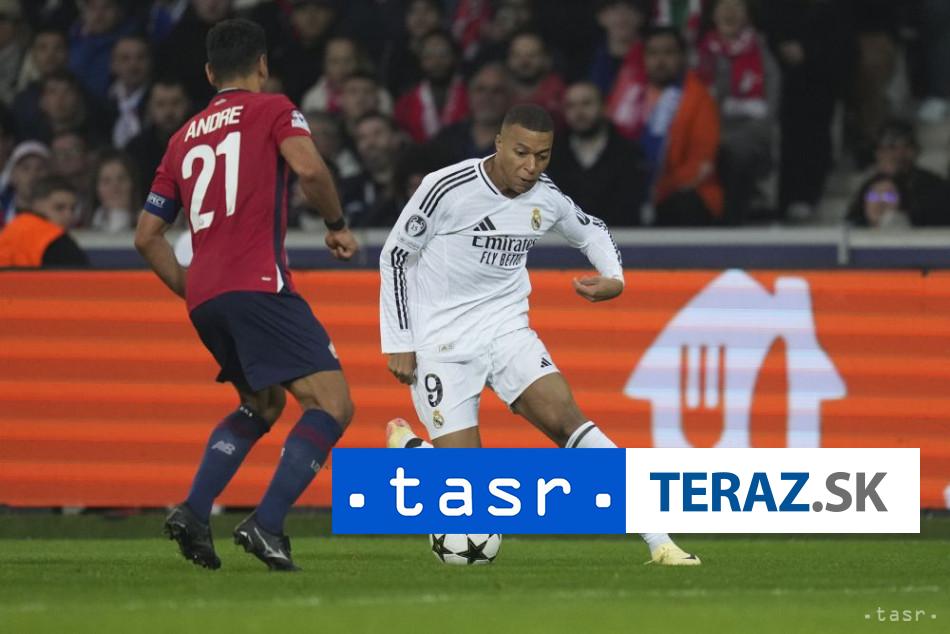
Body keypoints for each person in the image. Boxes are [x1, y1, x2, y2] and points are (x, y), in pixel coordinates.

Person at [379, 103, 700, 567]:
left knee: (568, 419)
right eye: (521, 153)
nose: (531, 167)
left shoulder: (545, 196)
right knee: (467, 492)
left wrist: (615, 277)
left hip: (507, 330)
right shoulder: (445, 187)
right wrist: (399, 340)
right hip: (443, 343)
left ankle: (661, 541)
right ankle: (414, 451)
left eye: (543, 156)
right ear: (498, 144)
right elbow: (396, 256)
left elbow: (591, 230)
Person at [134, 17, 359, 572]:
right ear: (262, 64)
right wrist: (336, 224)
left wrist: (193, 288)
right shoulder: (274, 109)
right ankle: (267, 524)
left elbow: (146, 236)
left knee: (263, 403)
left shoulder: (182, 138)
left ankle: (193, 510)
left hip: (205, 295)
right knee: (332, 404)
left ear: (210, 73)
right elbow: (309, 169)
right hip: (257, 283)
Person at [696, 0, 779, 224]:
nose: (729, 12)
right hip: (707, 129)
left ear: (747, 16)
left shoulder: (761, 50)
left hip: (749, 133)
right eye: (723, 7)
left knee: (736, 154)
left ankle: (733, 222)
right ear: (713, 15)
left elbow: (771, 105)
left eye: (736, 6)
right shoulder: (701, 52)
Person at [639, 26, 723, 226]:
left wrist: (658, 190)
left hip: (685, 193)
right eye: (653, 53)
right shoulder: (631, 93)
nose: (660, 61)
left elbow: (700, 165)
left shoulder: (699, 98)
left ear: (683, 57)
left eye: (668, 52)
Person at [547, 81, 646, 226]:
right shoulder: (552, 154)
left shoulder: (628, 153)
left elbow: (630, 208)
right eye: (571, 106)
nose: (579, 112)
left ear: (604, 107)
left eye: (586, 103)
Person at [847, 120, 950, 227]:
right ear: (878, 153)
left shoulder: (933, 185)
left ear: (915, 150)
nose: (898, 154)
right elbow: (853, 220)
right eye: (891, 147)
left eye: (906, 146)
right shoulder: (870, 185)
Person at [0, 175, 88, 268]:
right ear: (37, 205)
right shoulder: (56, 241)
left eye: (73, 209)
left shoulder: (11, 229)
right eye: (59, 208)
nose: (68, 215)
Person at [845, 173, 910, 230]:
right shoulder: (848, 232)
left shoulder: (911, 234)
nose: (880, 202)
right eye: (873, 196)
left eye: (889, 196)